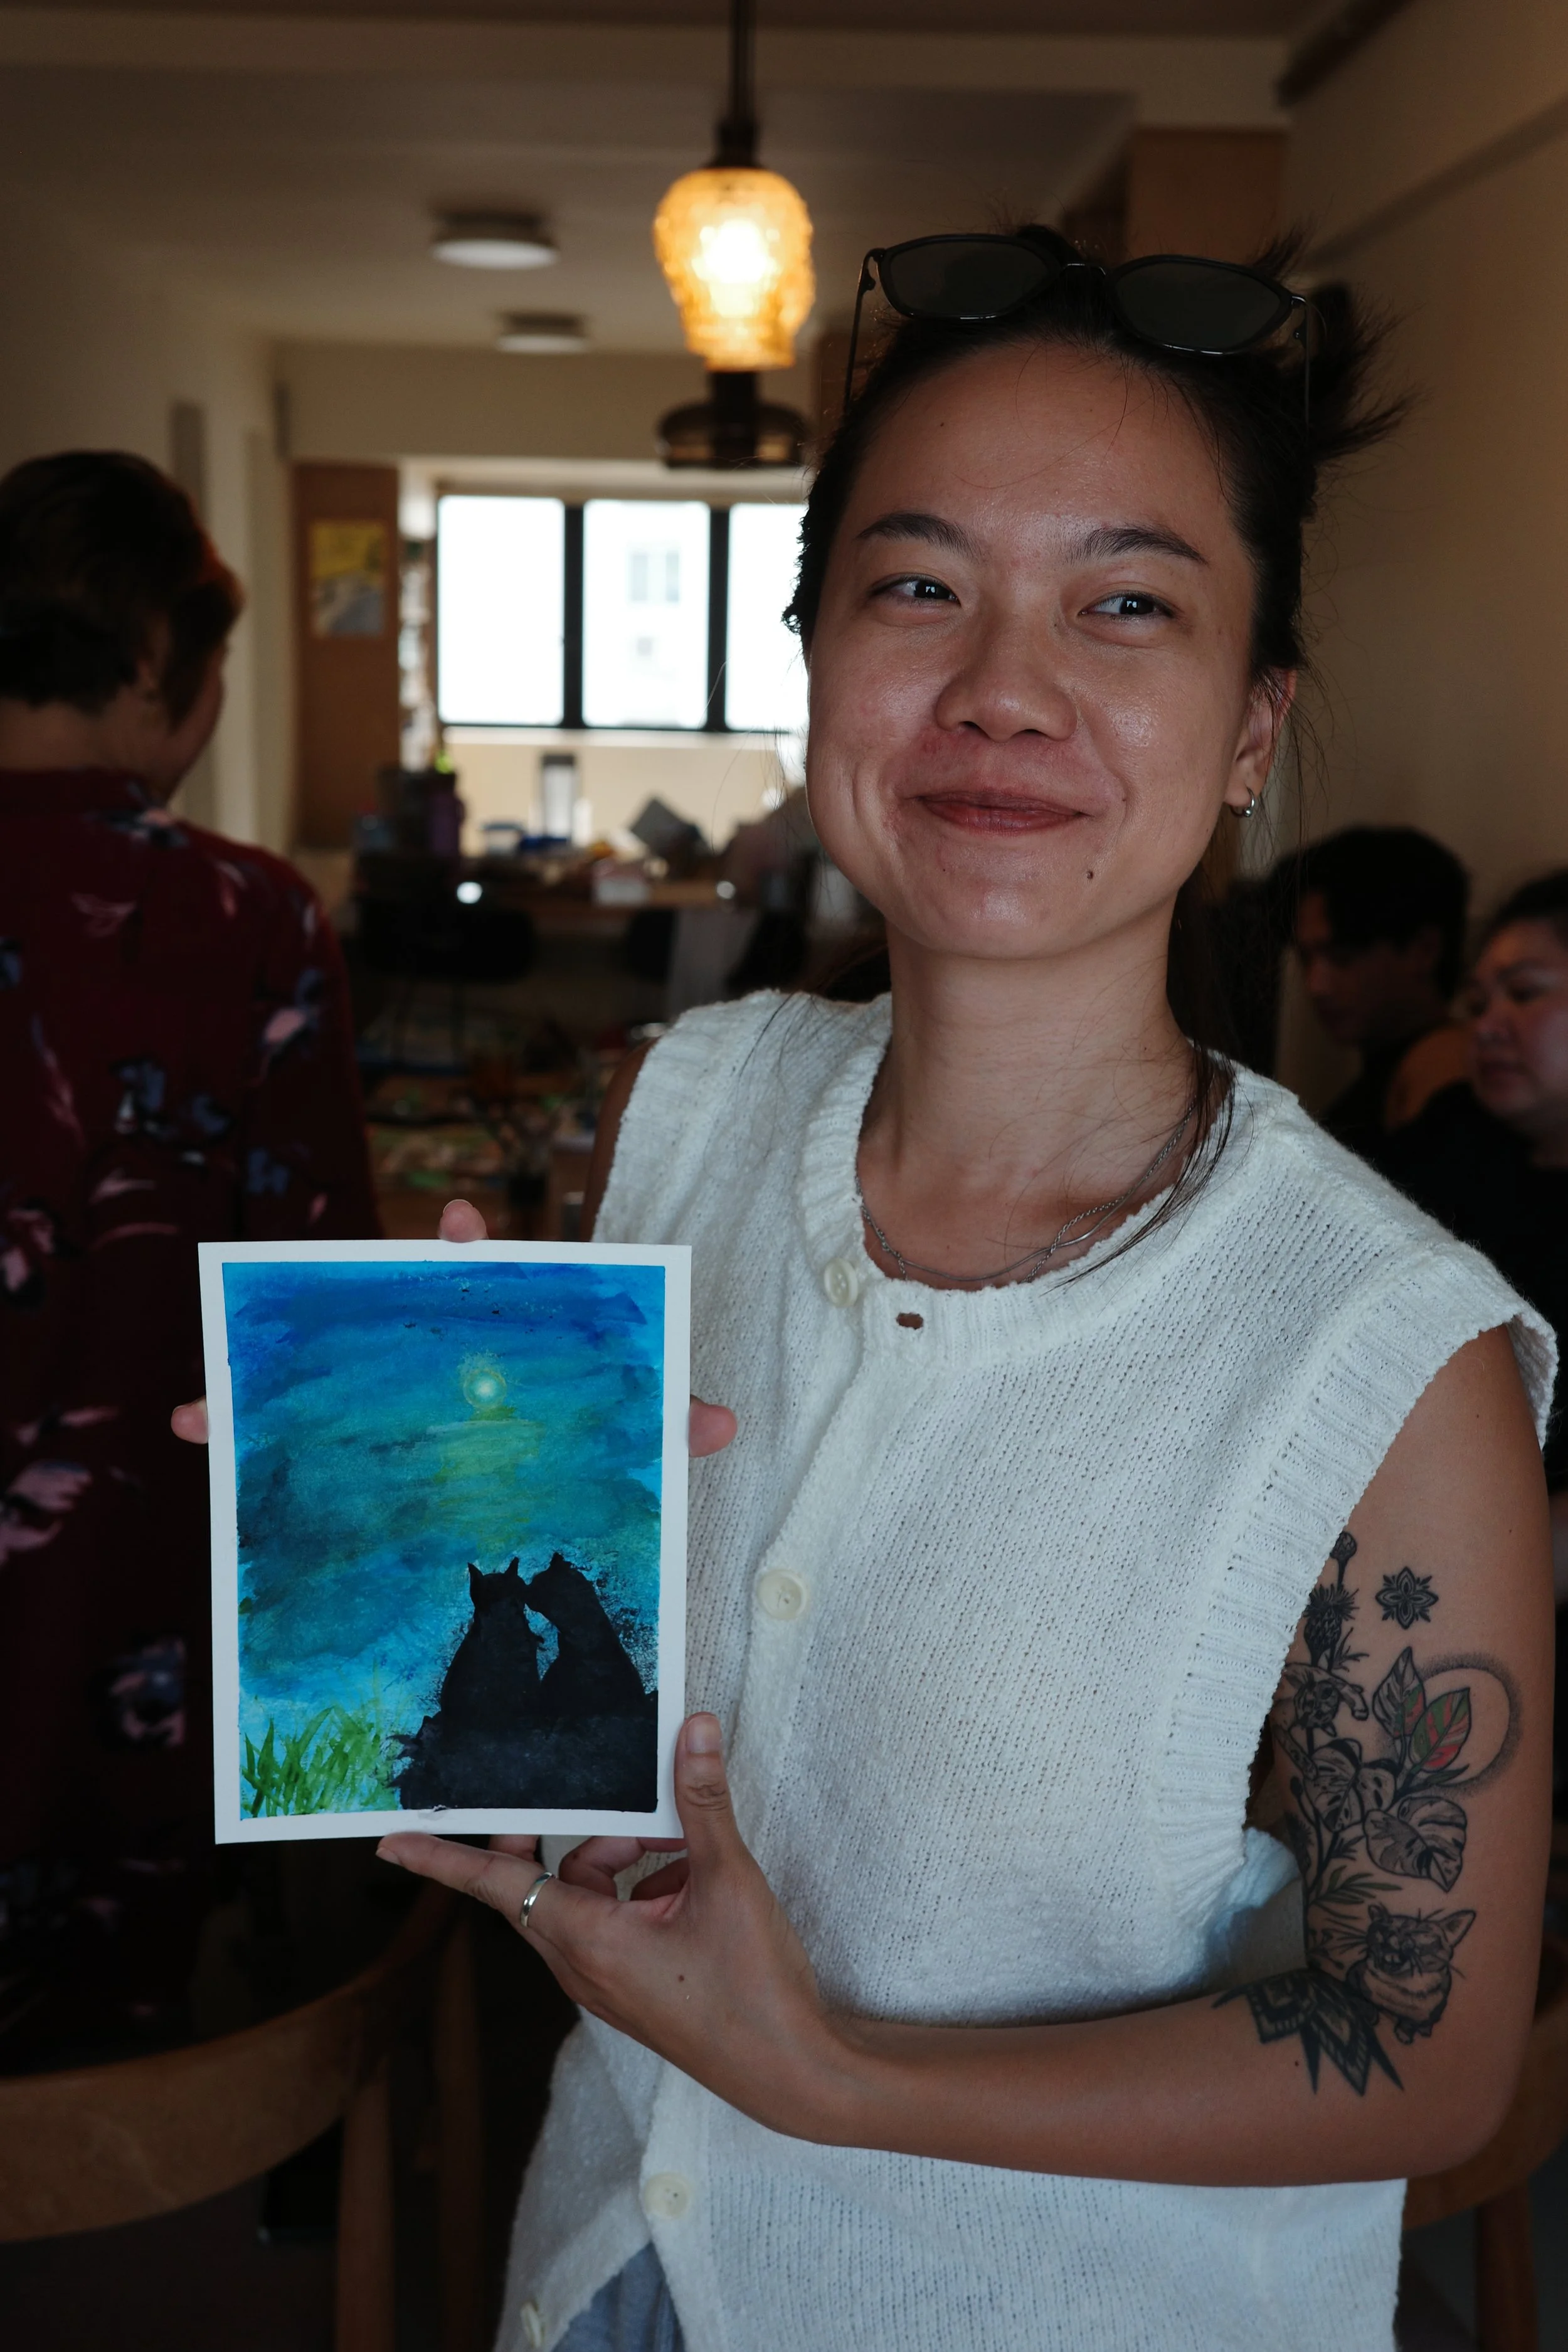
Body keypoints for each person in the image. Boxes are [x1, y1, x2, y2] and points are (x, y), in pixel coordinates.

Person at [189, 231, 1552, 2351]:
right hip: (614, 2262)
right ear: (812, 655)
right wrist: (385, 1513)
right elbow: (607, 1730)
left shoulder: (1383, 1357)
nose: (1006, 684)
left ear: (1256, 725)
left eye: (1128, 603)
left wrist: (837, 2076)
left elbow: (1428, 2051)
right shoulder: (692, 1113)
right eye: (919, 586)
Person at [0, 450, 378, 2051]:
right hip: (128, 1612)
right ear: (159, 660)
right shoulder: (243, 917)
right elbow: (322, 1317)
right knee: (111, 2079)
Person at [1382, 871, 1568, 1798]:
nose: (1487, 1022)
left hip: (1504, 1593)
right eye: (1478, 999)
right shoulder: (1454, 1137)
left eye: (1526, 994)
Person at [1291, 825, 1471, 1162]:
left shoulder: (1443, 1075)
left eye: (1343, 957)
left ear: (1424, 950)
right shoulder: (1383, 1077)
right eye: (1306, 958)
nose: (1316, 985)